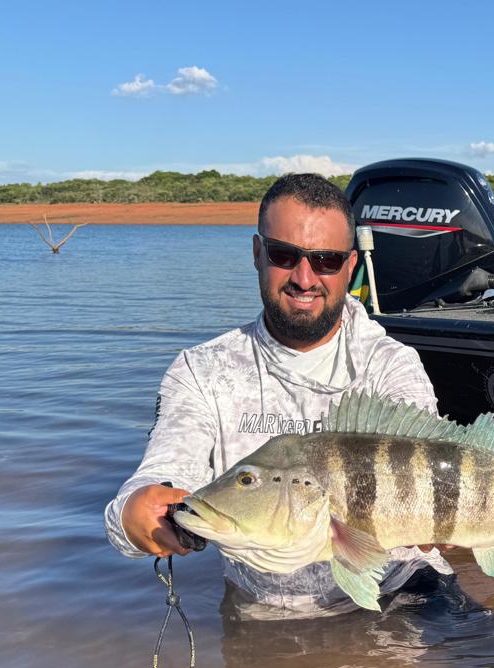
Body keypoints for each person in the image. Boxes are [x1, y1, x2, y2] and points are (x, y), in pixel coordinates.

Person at [104, 173, 450, 617]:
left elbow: (440, 473)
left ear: (350, 267)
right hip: (265, 610)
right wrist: (135, 514)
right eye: (285, 255)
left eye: (325, 260)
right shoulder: (202, 371)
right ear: (256, 254)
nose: (305, 278)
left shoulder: (389, 364)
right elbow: (158, 477)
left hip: (402, 592)